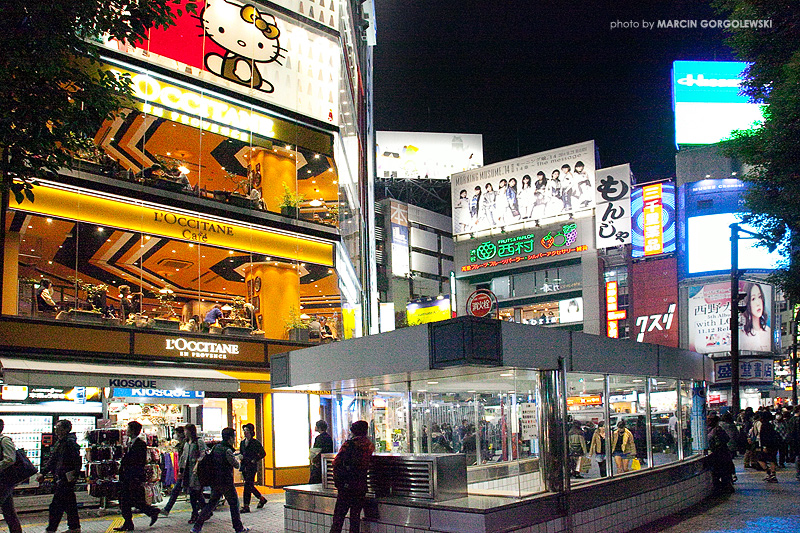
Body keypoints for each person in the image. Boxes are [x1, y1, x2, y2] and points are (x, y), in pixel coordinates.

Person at [191, 427, 249, 533]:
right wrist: (238, 458)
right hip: (226, 482)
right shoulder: (227, 450)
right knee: (234, 504)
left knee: (211, 504)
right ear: (230, 438)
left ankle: (196, 527)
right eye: (234, 437)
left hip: (215, 481)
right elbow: (236, 465)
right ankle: (238, 528)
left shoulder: (216, 447)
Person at [330, 420, 374, 533]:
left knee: (339, 517)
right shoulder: (369, 445)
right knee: (355, 517)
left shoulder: (348, 445)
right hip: (360, 485)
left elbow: (336, 462)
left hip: (346, 487)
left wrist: (339, 480)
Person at [115, 421, 160, 531]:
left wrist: (132, 474)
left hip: (133, 477)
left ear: (134, 431)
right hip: (128, 476)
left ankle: (147, 513)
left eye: (128, 429)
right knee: (130, 500)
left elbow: (138, 462)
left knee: (127, 500)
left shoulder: (140, 444)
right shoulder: (131, 443)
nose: (126, 431)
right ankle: (149, 512)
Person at [39, 419, 82, 533]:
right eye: (56, 427)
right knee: (70, 504)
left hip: (66, 478)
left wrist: (73, 476)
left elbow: (76, 461)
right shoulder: (61, 442)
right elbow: (53, 460)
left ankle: (51, 529)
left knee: (55, 506)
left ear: (66, 429)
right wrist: (43, 472)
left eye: (59, 427)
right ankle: (74, 527)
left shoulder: (69, 443)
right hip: (63, 478)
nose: (56, 430)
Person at [179, 424, 207, 524]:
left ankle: (196, 513)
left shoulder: (198, 442)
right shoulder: (186, 443)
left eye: (186, 431)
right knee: (194, 493)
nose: (184, 433)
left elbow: (203, 454)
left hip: (197, 471)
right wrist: (181, 470)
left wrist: (197, 463)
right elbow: (183, 457)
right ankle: (205, 510)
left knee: (195, 493)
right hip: (188, 471)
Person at [0, 419, 23, 533]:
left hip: (4, 480)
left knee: (8, 510)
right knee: (8, 510)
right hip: (3, 481)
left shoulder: (4, 440)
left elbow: (10, 459)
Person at [239, 423, 267, 513]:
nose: (245, 432)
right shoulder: (242, 443)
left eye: (247, 430)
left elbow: (263, 453)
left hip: (251, 466)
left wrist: (255, 460)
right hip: (244, 466)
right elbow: (241, 453)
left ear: (251, 431)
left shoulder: (255, 443)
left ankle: (246, 506)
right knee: (250, 485)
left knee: (247, 486)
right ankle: (261, 498)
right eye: (244, 431)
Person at [159, 426, 186, 517]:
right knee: (194, 493)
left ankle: (167, 509)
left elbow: (184, 459)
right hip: (184, 471)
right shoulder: (182, 444)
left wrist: (181, 470)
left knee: (176, 490)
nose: (175, 435)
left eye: (176, 433)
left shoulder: (185, 445)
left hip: (185, 471)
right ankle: (206, 509)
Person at [707, 414, 735, 494]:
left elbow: (710, 440)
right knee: (723, 473)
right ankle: (726, 487)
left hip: (718, 454)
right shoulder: (717, 429)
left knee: (720, 472)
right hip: (723, 453)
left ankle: (723, 488)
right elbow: (727, 439)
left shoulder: (715, 430)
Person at [739, 282, 771, 352]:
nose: (758, 303)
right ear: (747, 302)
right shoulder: (742, 334)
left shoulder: (769, 332)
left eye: (759, 297)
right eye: (753, 299)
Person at [754, 411, 780, 482]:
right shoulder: (771, 424)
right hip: (774, 444)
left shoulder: (764, 425)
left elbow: (764, 436)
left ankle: (769, 472)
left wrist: (764, 446)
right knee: (772, 459)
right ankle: (772, 474)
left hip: (767, 445)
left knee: (760, 458)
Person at [309, 420, 334, 484]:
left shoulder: (319, 438)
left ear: (319, 427)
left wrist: (314, 459)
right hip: (326, 461)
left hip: (318, 462)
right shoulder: (328, 437)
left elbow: (316, 450)